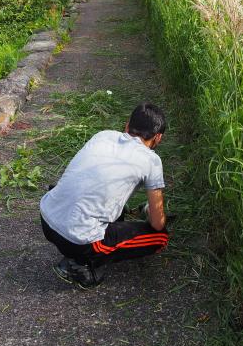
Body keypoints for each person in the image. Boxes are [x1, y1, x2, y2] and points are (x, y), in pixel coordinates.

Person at [40, 102, 169, 288]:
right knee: (160, 238)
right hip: (78, 240)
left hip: (47, 219)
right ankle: (83, 267)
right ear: (158, 138)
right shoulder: (152, 161)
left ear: (127, 126)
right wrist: (150, 212)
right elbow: (158, 224)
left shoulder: (103, 135)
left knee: (113, 208)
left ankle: (77, 251)